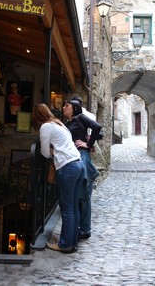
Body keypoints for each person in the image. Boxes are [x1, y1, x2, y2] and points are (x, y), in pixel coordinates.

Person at [32, 103, 86, 253]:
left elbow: (44, 153)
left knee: (66, 208)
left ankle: (65, 245)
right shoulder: (59, 124)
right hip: (78, 164)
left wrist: (51, 151)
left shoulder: (46, 127)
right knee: (73, 207)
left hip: (67, 167)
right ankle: (71, 240)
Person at [62, 100, 101, 240]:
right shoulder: (67, 123)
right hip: (74, 158)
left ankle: (85, 230)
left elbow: (97, 127)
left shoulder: (80, 118)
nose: (63, 107)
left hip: (82, 156)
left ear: (75, 108)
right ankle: (80, 227)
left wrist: (88, 143)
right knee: (78, 196)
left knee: (84, 196)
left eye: (67, 105)